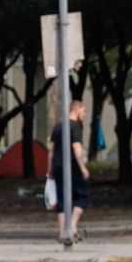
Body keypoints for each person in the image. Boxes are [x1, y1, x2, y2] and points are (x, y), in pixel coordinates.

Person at [49, 98, 91, 240]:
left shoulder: (58, 126)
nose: (84, 115)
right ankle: (72, 226)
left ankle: (62, 233)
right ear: (77, 109)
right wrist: (83, 167)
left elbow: (51, 151)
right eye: (84, 111)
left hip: (58, 167)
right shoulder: (74, 127)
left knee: (62, 198)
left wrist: (50, 171)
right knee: (82, 196)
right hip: (72, 167)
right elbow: (76, 148)